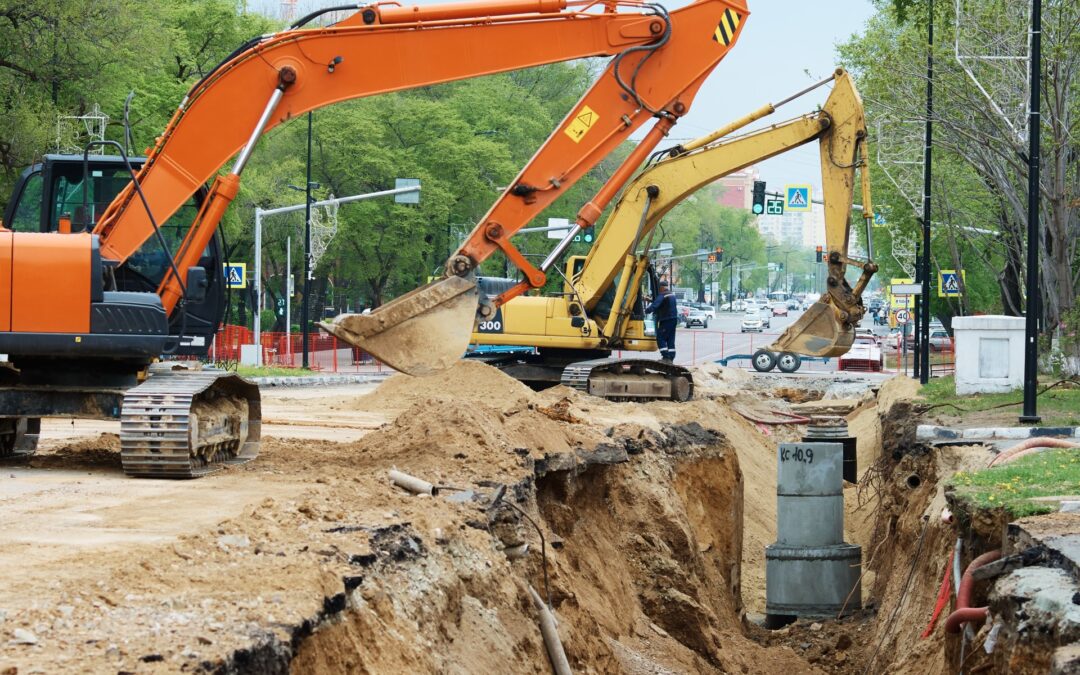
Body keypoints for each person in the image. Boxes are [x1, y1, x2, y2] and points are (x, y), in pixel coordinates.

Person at [645, 280, 679, 363]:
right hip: (673, 319)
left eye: (659, 289)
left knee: (660, 337)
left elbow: (655, 306)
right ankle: (671, 358)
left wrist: (646, 310)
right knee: (670, 339)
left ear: (661, 288)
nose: (659, 290)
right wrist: (650, 300)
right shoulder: (671, 294)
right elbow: (663, 303)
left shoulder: (662, 295)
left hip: (666, 320)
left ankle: (665, 356)